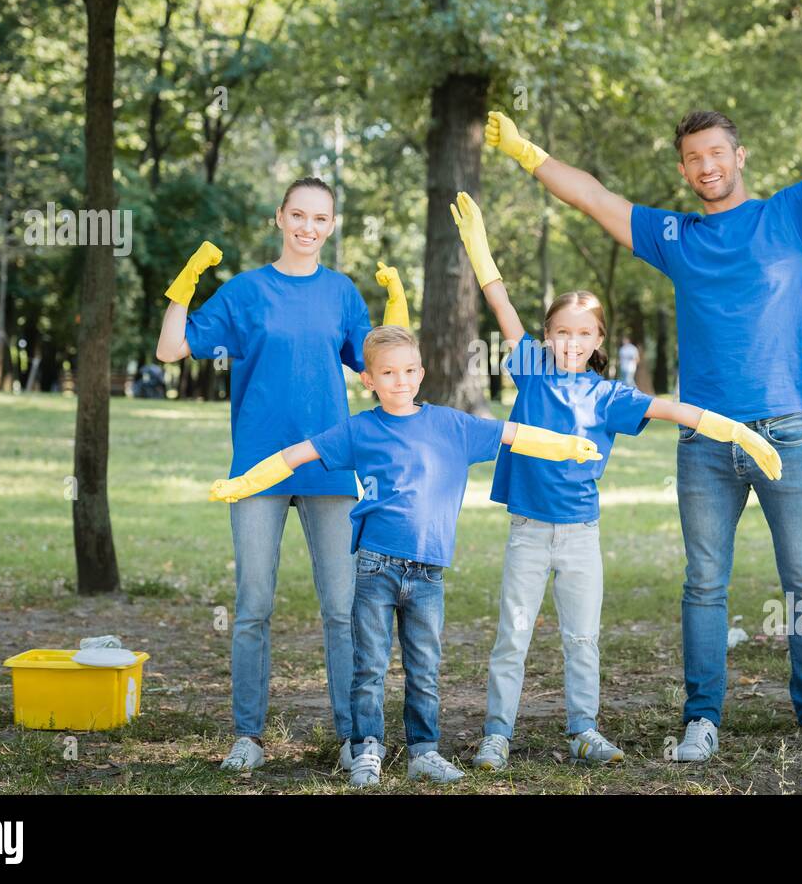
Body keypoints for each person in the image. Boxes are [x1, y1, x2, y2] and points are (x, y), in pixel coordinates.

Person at [484, 56, 802, 762]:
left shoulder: (792, 215)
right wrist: (527, 153)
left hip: (786, 431)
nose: (705, 165)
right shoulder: (677, 238)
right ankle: (702, 717)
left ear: (738, 157)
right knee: (705, 582)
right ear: (684, 170)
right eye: (691, 158)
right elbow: (593, 197)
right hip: (705, 440)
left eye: (715, 153)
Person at [449, 191, 780, 771]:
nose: (571, 343)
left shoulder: (609, 396)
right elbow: (501, 306)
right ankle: (497, 733)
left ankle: (584, 730)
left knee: (582, 640)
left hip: (580, 536)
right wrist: (480, 250)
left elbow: (671, 410)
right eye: (561, 332)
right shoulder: (530, 371)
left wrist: (738, 432)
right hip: (528, 532)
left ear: (599, 341)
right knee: (513, 639)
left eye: (583, 334)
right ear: (547, 335)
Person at [209, 324, 601, 785]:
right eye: (389, 372)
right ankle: (366, 749)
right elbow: (298, 454)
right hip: (375, 566)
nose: (401, 380)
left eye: (410, 370)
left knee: (425, 668)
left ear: (422, 372)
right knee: (370, 666)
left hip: (429, 573)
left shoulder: (451, 425)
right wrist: (242, 484)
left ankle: (424, 751)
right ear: (369, 380)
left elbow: (514, 434)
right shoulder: (360, 429)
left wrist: (568, 446)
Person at [155, 177, 409, 773]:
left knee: (344, 608)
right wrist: (185, 284)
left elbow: (381, 365)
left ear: (331, 226)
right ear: (279, 217)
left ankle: (355, 738)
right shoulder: (245, 292)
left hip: (328, 465)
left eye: (320, 218)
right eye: (299, 215)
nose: (308, 227)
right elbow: (172, 350)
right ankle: (248, 735)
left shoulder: (342, 293)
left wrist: (394, 308)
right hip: (258, 472)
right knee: (253, 605)